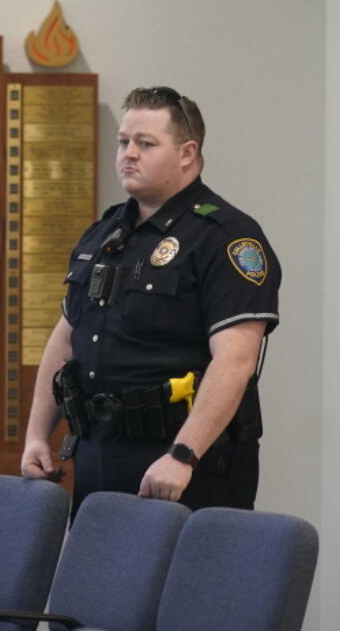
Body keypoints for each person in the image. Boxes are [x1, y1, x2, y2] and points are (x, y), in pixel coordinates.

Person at [20, 86, 280, 512]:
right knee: (100, 579)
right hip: (99, 451)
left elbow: (235, 360)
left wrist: (183, 455)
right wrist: (36, 435)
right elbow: (66, 338)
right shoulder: (105, 234)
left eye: (146, 144)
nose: (129, 154)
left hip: (182, 463)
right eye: (124, 142)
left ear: (186, 152)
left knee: (184, 580)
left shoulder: (226, 237)